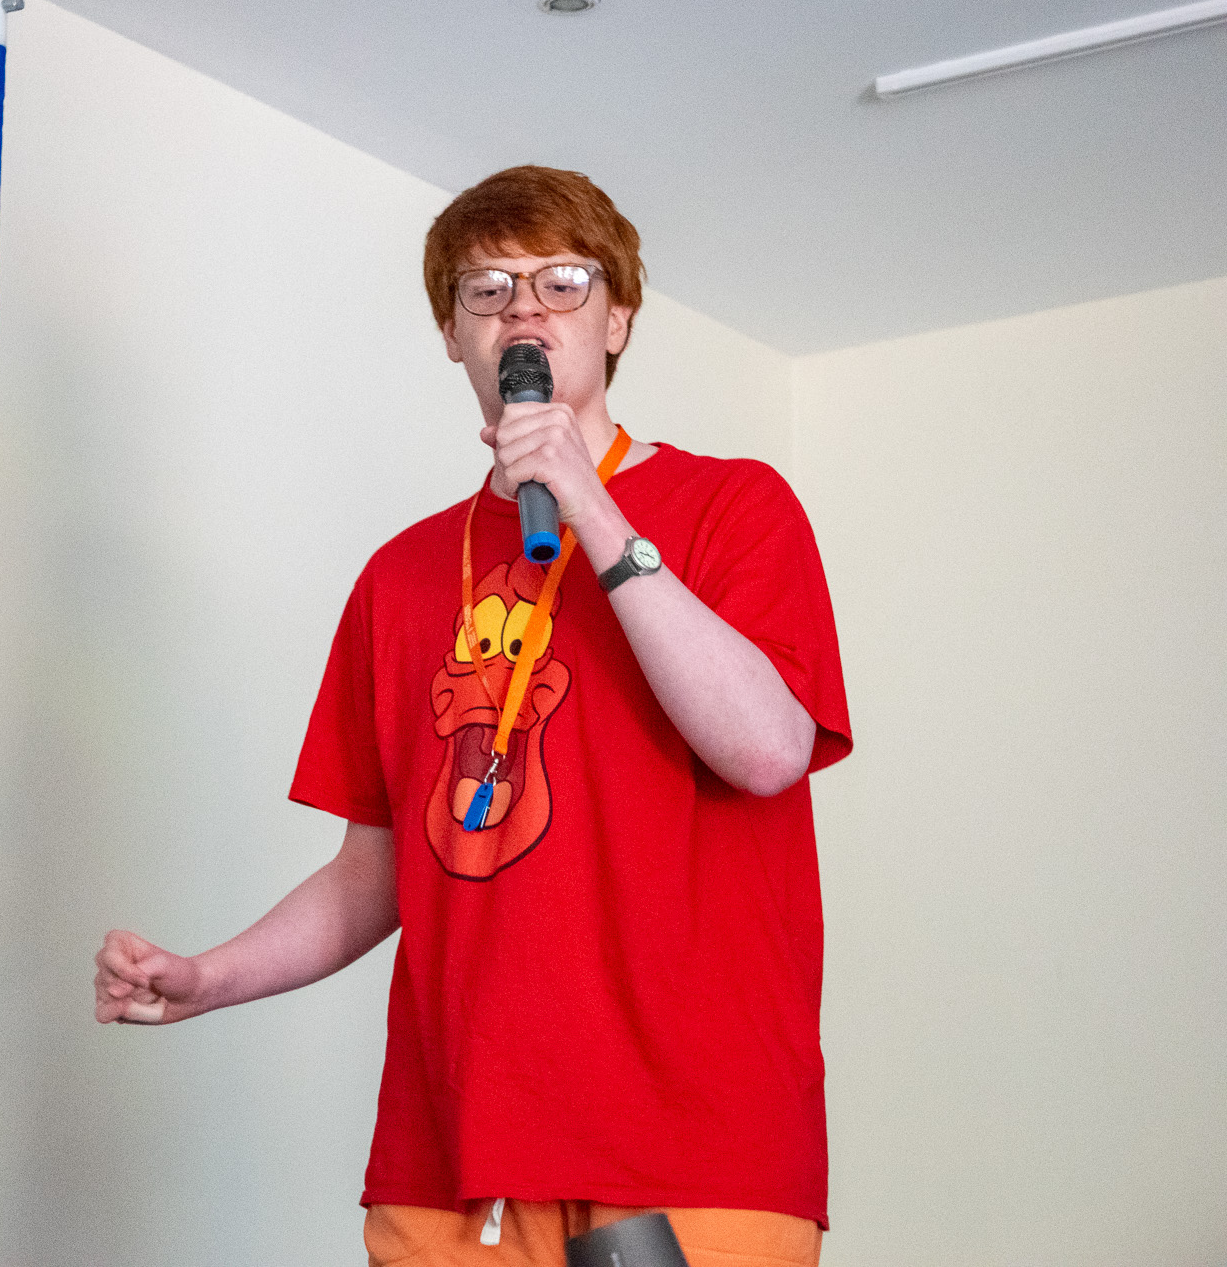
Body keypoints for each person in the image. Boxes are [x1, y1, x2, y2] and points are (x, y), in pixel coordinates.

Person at [94, 166, 851, 1267]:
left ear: (617, 316)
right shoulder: (400, 578)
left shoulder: (733, 506)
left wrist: (588, 503)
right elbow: (377, 865)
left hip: (688, 1143)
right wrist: (213, 979)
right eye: (485, 291)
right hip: (451, 1154)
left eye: (558, 282)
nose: (522, 313)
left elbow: (769, 749)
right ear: (452, 336)